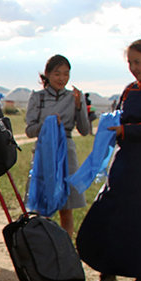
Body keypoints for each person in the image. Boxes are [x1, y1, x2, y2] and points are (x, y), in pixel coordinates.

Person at [76, 36, 141, 281]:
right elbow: (120, 116)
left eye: (138, 62)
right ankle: (107, 274)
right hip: (123, 160)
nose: (133, 67)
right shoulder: (129, 90)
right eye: (130, 62)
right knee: (109, 213)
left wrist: (125, 129)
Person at [24, 55, 92, 237]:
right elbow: (30, 130)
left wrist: (79, 107)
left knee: (66, 208)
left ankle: (65, 253)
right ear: (47, 75)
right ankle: (41, 251)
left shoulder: (74, 97)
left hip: (66, 153)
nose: (62, 78)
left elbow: (85, 130)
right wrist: (49, 123)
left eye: (66, 74)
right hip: (44, 153)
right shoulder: (38, 98)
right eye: (57, 74)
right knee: (40, 206)